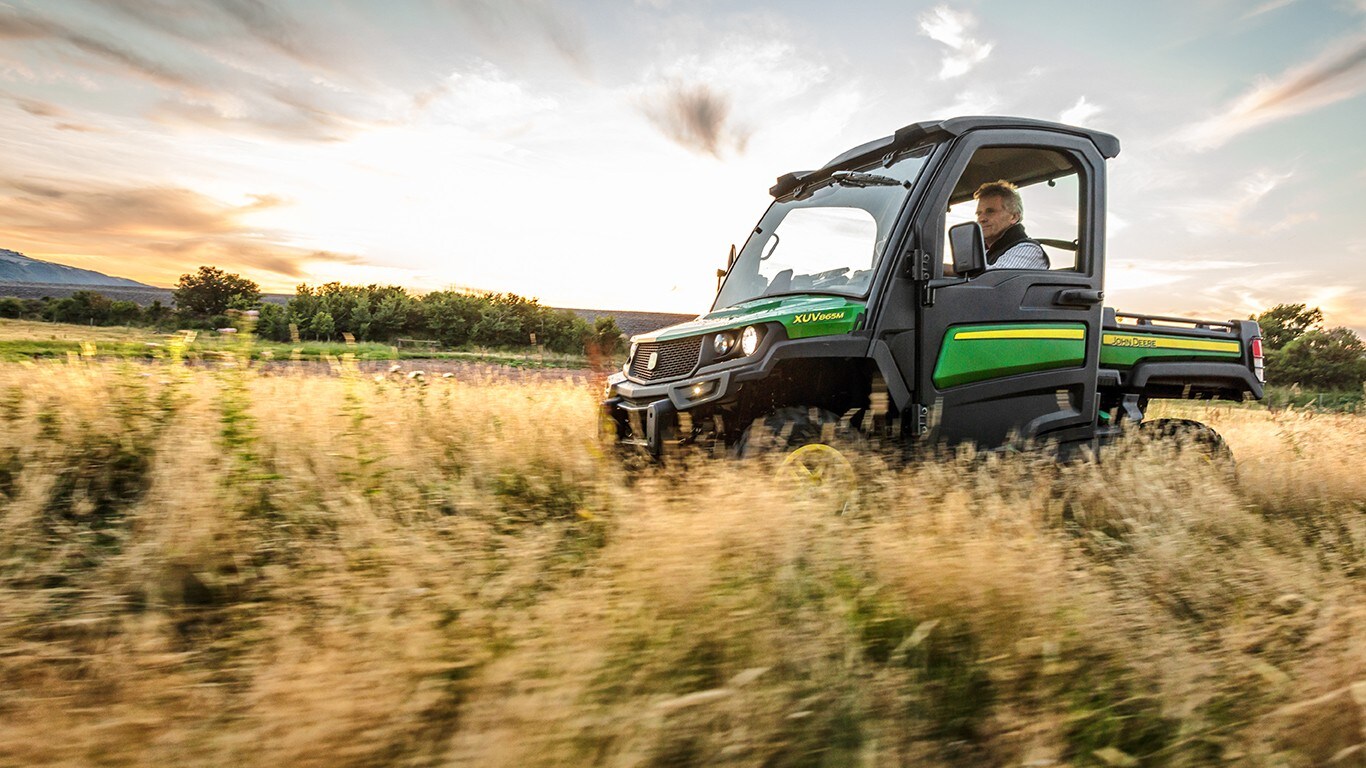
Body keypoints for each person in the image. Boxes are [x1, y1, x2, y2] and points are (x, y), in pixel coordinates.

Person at [974, 180, 1049, 270]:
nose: (981, 219)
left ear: (1014, 217)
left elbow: (994, 277)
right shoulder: (983, 253)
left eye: (990, 211)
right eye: (979, 214)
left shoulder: (1028, 250)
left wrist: (955, 270)